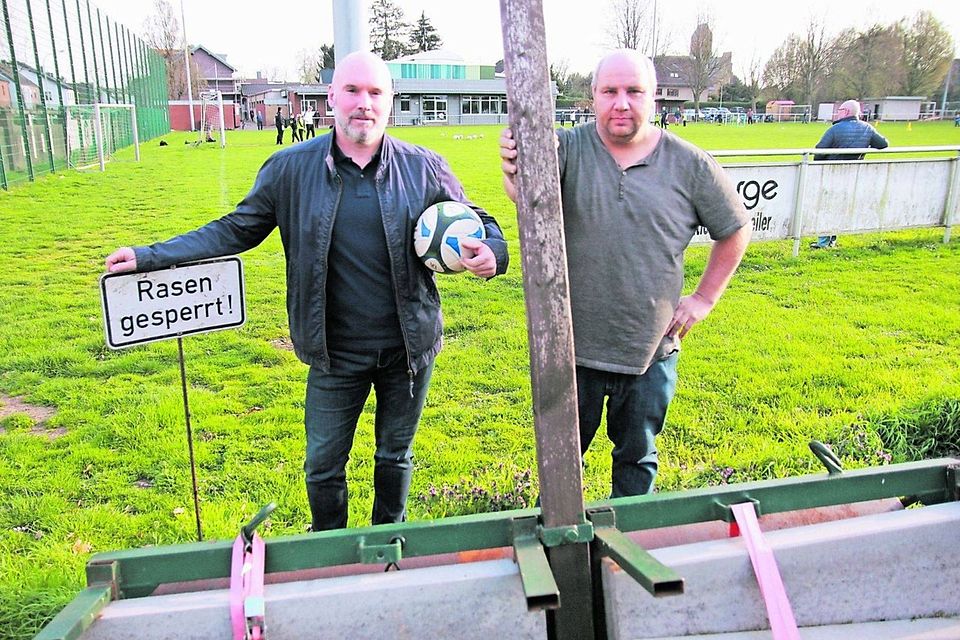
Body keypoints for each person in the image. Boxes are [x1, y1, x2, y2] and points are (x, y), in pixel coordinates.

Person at [105, 51, 509, 531]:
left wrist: (493, 251)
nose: (364, 103)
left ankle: (388, 545)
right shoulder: (289, 169)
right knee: (322, 467)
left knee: (395, 457)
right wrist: (151, 256)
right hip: (333, 354)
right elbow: (235, 229)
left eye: (376, 93)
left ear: (390, 101)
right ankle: (329, 548)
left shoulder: (424, 167)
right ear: (332, 96)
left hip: (408, 349)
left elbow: (477, 220)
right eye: (353, 91)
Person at [499, 49, 750, 498]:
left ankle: (626, 557)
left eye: (634, 91)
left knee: (637, 462)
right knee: (560, 468)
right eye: (609, 91)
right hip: (570, 352)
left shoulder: (690, 165)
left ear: (654, 99)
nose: (621, 102)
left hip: (649, 352)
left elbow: (734, 230)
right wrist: (514, 167)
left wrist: (704, 299)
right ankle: (559, 556)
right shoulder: (567, 149)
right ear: (592, 96)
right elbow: (527, 198)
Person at [810, 99, 889, 249]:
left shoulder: (835, 129)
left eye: (839, 110)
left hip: (832, 174)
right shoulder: (867, 129)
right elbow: (883, 144)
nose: (837, 113)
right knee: (839, 206)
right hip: (853, 176)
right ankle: (831, 240)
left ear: (845, 112)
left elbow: (819, 151)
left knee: (827, 206)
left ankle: (824, 242)